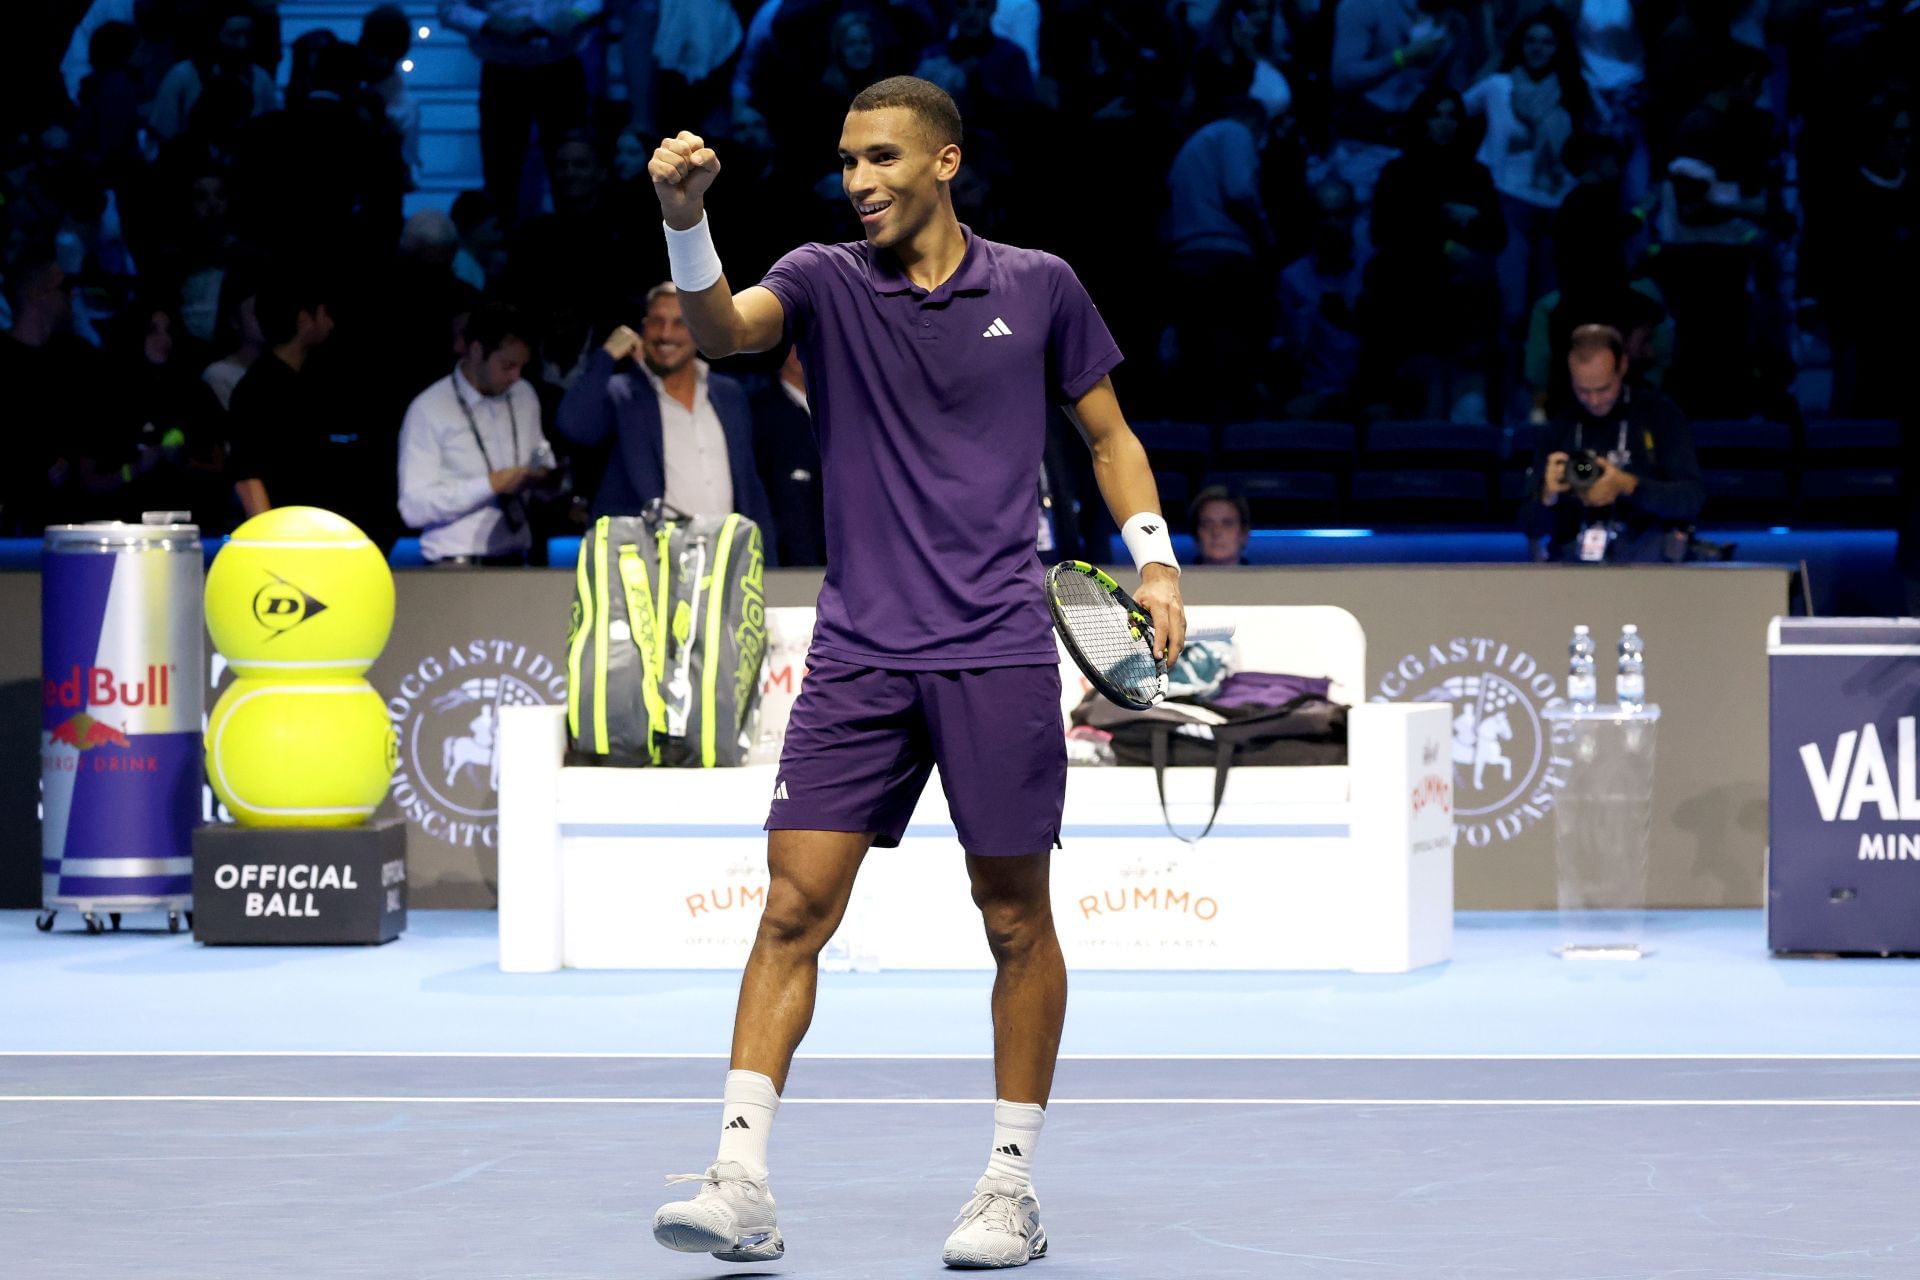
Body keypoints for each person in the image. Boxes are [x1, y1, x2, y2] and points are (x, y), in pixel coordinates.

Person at [644, 75, 1185, 1268]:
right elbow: (728, 331)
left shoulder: (1040, 284)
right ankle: (740, 1177)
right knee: (793, 908)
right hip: (860, 652)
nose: (861, 181)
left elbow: (1109, 435)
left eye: (882, 158)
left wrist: (1154, 562)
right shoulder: (827, 280)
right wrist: (687, 217)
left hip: (994, 645)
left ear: (946, 163)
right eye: (846, 162)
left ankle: (1008, 1186)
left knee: (1012, 919)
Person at [553, 284, 776, 536]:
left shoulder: (729, 395)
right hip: (649, 559)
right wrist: (605, 357)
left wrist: (765, 559)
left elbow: (749, 484)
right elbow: (573, 426)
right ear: (643, 326)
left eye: (680, 323)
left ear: (700, 330)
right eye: (657, 322)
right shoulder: (622, 394)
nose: (666, 334)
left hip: (724, 556)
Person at [1525, 324, 1704, 563]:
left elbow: (1691, 498)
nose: (1595, 400)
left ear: (1622, 367)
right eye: (1583, 391)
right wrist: (1547, 496)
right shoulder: (1562, 425)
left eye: (1603, 389)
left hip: (1647, 564)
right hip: (1572, 566)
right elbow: (1529, 524)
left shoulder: (1658, 415)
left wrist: (1628, 485)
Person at [397, 301, 554, 565]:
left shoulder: (524, 395)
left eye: (521, 366)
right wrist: (491, 484)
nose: (516, 376)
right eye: (507, 365)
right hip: (454, 566)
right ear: (477, 351)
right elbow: (413, 508)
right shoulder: (428, 408)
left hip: (515, 560)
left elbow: (539, 454)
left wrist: (545, 477)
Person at [436, 0, 599, 223]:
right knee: (501, 180)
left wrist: (576, 14)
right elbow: (449, 8)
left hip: (560, 68)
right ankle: (504, 250)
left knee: (574, 174)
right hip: (505, 72)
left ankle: (580, 247)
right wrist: (492, 23)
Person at [748, 345, 827, 566]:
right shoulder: (759, 412)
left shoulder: (842, 411)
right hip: (785, 564)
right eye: (791, 345)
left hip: (841, 559)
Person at [1191, 484, 1253, 566]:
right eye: (1207, 524)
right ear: (1196, 534)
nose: (1216, 532)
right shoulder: (1173, 578)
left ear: (1244, 533)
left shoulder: (1267, 578)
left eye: (1227, 524)